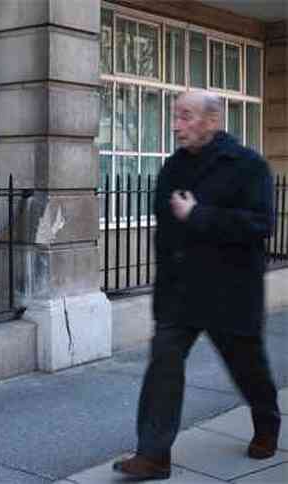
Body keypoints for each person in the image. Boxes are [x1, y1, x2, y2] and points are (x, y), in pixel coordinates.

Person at [113, 91, 281, 480]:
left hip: (230, 293)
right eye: (176, 116)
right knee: (163, 367)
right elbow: (166, 231)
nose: (176, 125)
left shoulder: (248, 166)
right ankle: (153, 455)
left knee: (248, 368)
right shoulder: (173, 167)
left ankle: (267, 422)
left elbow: (261, 225)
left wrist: (199, 215)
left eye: (185, 116)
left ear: (211, 120)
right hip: (180, 294)